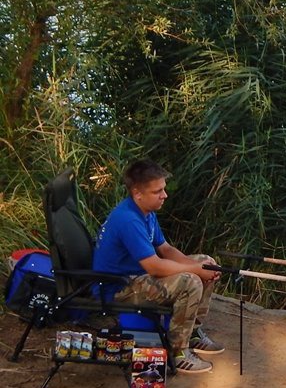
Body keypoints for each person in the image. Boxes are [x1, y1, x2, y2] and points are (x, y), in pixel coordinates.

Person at [93, 158, 224, 374]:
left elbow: (165, 249)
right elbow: (154, 267)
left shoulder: (146, 212)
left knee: (205, 263)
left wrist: (198, 264)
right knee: (189, 281)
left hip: (136, 277)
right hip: (118, 287)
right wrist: (194, 270)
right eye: (158, 191)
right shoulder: (128, 219)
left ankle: (191, 332)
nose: (165, 195)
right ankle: (178, 352)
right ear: (137, 193)